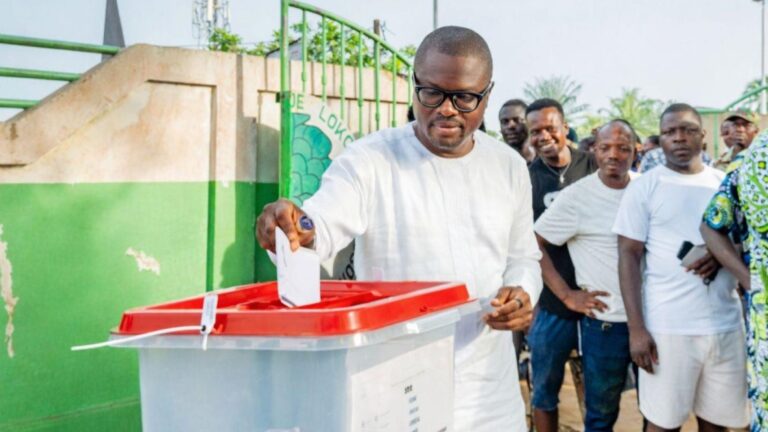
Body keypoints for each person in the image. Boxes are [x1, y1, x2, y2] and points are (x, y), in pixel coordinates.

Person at [255, 26, 542, 431]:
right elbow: (319, 224)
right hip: (396, 390)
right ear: (415, 86)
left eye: (464, 97)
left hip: (488, 394)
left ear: (487, 95)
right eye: (432, 93)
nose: (446, 109)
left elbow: (522, 256)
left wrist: (523, 292)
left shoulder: (507, 166)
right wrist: (292, 227)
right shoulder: (371, 160)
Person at [613, 103, 748, 432]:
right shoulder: (646, 186)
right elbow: (628, 255)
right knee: (663, 424)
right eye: (669, 132)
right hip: (668, 328)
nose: (678, 138)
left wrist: (719, 253)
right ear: (660, 139)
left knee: (717, 424)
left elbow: (745, 243)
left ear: (703, 135)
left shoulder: (724, 183)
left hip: (725, 324)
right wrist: (637, 329)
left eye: (687, 129)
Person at [534, 120, 637, 431]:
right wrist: (567, 294)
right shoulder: (578, 196)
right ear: (594, 150)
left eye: (623, 148)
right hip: (605, 325)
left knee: (658, 411)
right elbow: (533, 243)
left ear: (636, 151)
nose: (614, 155)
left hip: (654, 321)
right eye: (605, 147)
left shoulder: (646, 189)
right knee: (600, 416)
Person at [525, 98, 597, 432]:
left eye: (550, 128)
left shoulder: (594, 166)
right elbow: (527, 246)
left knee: (600, 393)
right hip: (552, 304)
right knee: (544, 392)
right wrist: (563, 295)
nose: (543, 136)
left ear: (565, 128)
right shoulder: (525, 181)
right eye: (534, 131)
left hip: (600, 302)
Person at [701, 128, 768, 431]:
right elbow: (711, 225)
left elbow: (711, 225)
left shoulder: (749, 159)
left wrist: (751, 281)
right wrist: (751, 279)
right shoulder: (753, 161)